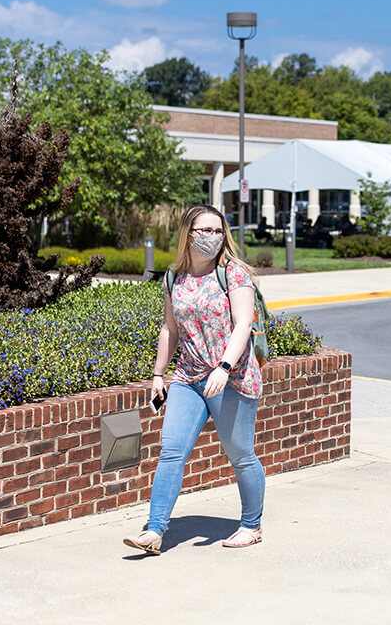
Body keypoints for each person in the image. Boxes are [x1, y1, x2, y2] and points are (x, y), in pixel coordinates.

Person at [123, 204, 265, 555]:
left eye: (218, 231)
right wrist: (158, 375)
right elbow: (170, 329)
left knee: (240, 453)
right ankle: (154, 531)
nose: (211, 238)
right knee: (171, 451)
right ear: (188, 233)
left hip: (231, 378)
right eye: (204, 231)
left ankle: (251, 524)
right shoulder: (175, 277)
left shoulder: (233, 274)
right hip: (188, 377)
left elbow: (244, 324)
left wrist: (224, 366)